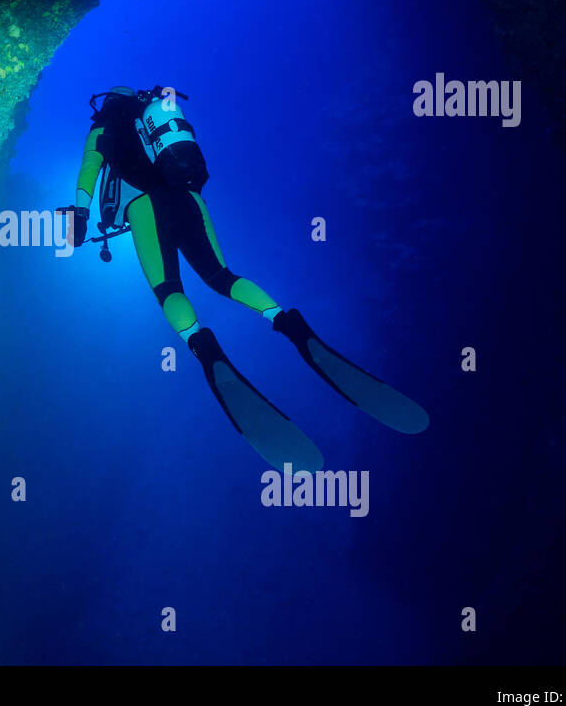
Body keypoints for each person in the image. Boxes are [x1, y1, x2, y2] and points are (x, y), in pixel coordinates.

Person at [66, 85, 427, 469]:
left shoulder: (108, 123)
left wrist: (79, 212)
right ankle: (285, 321)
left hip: (145, 208)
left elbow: (91, 162)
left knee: (169, 288)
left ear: (107, 103)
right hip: (189, 199)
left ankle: (204, 349)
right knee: (222, 277)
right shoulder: (155, 120)